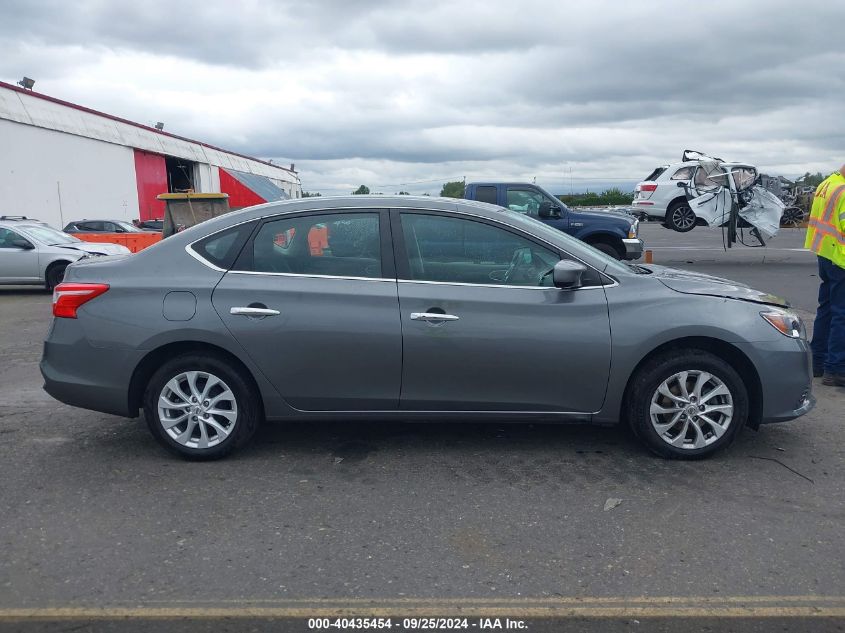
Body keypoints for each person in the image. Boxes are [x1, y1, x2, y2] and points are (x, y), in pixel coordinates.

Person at [805, 164, 845, 387]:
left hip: (825, 253)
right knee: (842, 314)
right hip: (841, 257)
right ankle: (836, 368)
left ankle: (817, 362)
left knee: (827, 309)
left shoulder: (827, 184)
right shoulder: (843, 191)